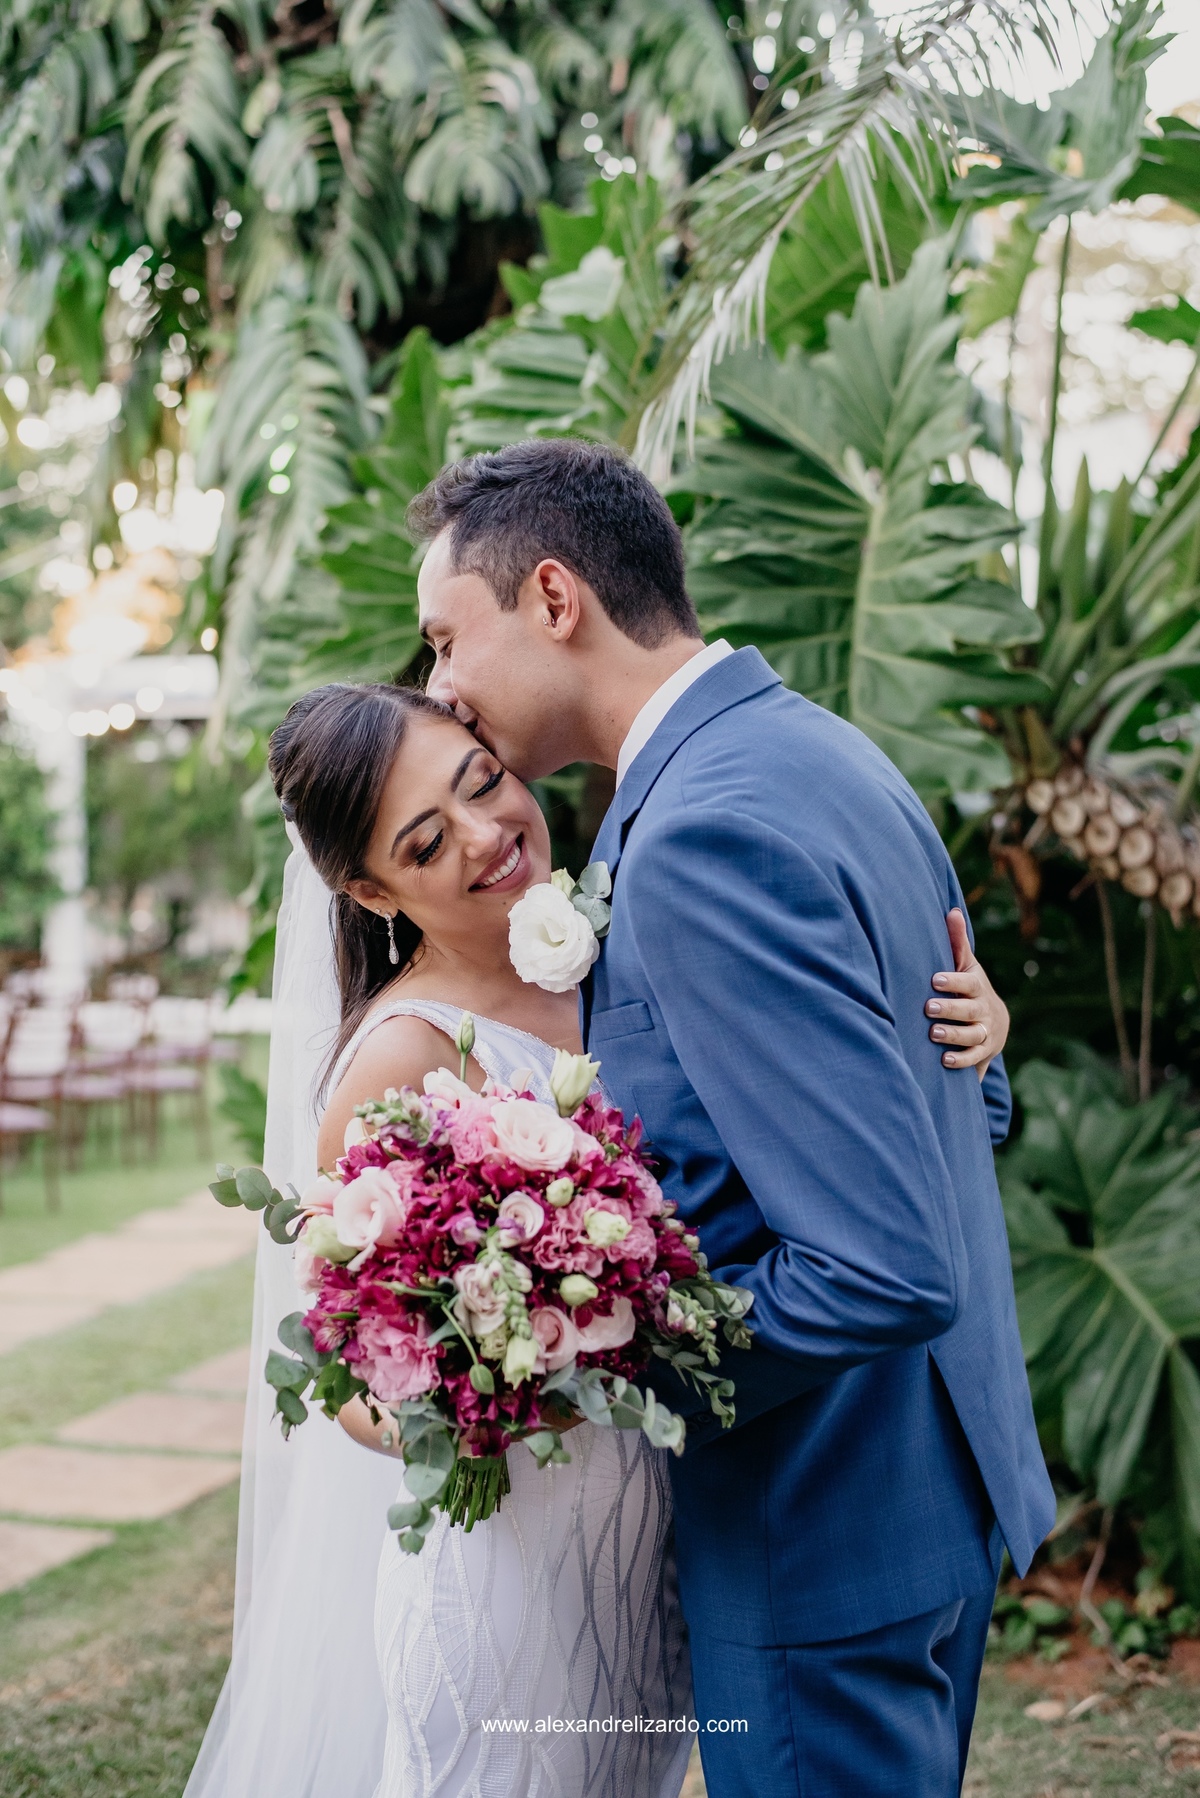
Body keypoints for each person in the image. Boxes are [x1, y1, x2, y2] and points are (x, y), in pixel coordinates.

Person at [183, 661, 1013, 1798]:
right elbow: (344, 1375)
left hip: (658, 1541)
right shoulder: (403, 1057)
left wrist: (977, 1035)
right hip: (516, 1568)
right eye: (425, 844)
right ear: (373, 893)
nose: (484, 834)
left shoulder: (612, 931)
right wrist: (496, 1373)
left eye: (482, 781)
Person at [406, 438, 1056, 1798]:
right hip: (927, 1483)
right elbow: (936, 1084)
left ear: (553, 596)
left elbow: (879, 1264)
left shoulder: (701, 830)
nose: (441, 684)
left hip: (820, 1520)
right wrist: (987, 1051)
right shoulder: (820, 751)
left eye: (447, 635)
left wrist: (597, 1366)